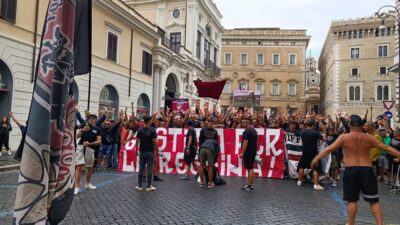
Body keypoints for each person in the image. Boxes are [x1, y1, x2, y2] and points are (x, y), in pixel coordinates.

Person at [311, 115, 400, 225]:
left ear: (349, 125)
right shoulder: (368, 137)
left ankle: (351, 223)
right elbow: (386, 147)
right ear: (362, 126)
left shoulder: (344, 138)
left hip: (351, 170)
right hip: (367, 170)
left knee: (352, 201)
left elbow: (329, 148)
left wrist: (317, 158)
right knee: (374, 201)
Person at [74, 114, 101, 195]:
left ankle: (87, 184)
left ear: (95, 120)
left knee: (89, 167)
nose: (91, 120)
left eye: (93, 119)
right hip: (81, 147)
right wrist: (82, 130)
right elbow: (77, 136)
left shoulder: (97, 129)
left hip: (90, 148)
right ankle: (76, 187)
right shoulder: (84, 125)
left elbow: (99, 141)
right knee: (79, 167)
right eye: (90, 118)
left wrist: (90, 143)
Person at [297, 120, 326, 191]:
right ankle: (316, 184)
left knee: (302, 166)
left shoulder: (303, 132)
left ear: (307, 125)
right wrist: (324, 132)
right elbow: (324, 139)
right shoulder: (315, 133)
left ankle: (299, 181)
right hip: (313, 152)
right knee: (316, 168)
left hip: (305, 151)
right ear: (313, 126)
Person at [135, 116, 158, 192]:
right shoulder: (152, 130)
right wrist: (156, 150)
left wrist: (136, 150)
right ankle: (148, 186)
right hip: (150, 152)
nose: (151, 121)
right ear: (148, 121)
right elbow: (155, 142)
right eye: (151, 120)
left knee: (141, 168)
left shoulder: (140, 130)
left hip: (142, 152)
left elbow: (137, 141)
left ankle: (139, 186)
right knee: (149, 168)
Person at [239, 117, 258, 192]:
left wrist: (242, 153)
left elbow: (245, 142)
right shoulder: (254, 130)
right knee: (250, 168)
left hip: (248, 152)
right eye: (242, 122)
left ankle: (250, 186)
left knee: (250, 168)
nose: (242, 124)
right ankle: (250, 184)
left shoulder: (247, 131)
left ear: (248, 123)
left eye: (244, 122)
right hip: (252, 152)